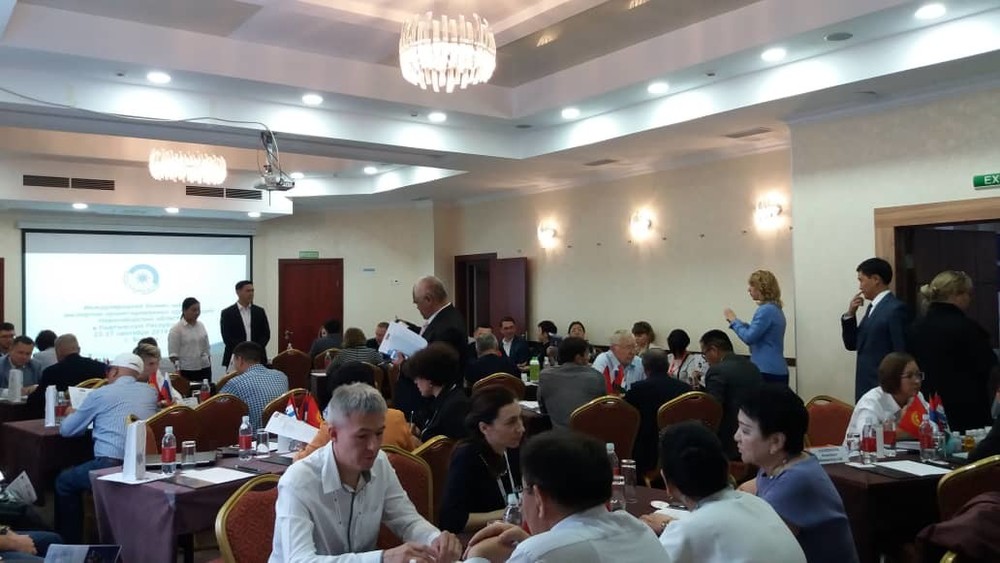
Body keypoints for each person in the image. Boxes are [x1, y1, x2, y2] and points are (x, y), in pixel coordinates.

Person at [269, 383, 462, 563]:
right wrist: (382, 558)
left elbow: (407, 521)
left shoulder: (380, 463)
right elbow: (300, 560)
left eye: (379, 433)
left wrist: (435, 539)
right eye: (362, 436)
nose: (373, 446)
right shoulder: (298, 480)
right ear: (333, 434)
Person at [464, 431, 665, 563]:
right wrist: (531, 542)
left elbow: (554, 551)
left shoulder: (538, 554)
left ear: (539, 498)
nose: (523, 502)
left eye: (524, 490)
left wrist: (478, 555)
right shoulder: (637, 528)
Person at [640, 421, 806, 563]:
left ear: (667, 482)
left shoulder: (688, 530)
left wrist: (669, 528)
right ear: (727, 468)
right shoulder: (757, 503)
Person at [735, 385, 858, 563]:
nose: (736, 437)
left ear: (776, 441)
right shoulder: (782, 462)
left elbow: (758, 552)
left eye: (745, 431)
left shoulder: (795, 482)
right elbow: (745, 490)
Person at [55, 353, 158, 544]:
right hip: (144, 464)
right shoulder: (150, 392)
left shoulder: (100, 394)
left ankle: (70, 543)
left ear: (114, 371)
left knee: (64, 482)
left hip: (111, 466)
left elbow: (67, 430)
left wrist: (72, 413)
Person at [907, 270, 998, 432]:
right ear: (957, 295)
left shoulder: (915, 328)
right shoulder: (968, 329)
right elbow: (988, 365)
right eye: (969, 294)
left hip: (927, 404)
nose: (970, 299)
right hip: (966, 407)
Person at [439, 387, 524, 533]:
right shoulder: (466, 457)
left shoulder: (514, 447)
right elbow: (451, 520)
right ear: (484, 428)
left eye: (520, 418)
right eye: (511, 422)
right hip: (482, 537)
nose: (521, 428)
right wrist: (508, 513)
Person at [294, 362, 418, 461]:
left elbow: (301, 462)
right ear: (375, 386)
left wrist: (300, 451)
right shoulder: (396, 417)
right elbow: (414, 457)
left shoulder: (333, 426)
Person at [395, 276, 468, 423]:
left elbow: (434, 368)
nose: (417, 307)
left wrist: (403, 364)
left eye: (417, 303)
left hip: (426, 404)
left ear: (428, 299)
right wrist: (410, 328)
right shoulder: (446, 317)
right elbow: (430, 338)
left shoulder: (448, 327)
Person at [841, 258, 909, 401]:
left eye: (861, 280)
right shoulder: (872, 308)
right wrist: (850, 315)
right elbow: (852, 344)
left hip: (884, 388)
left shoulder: (895, 309)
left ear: (876, 279)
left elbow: (900, 351)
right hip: (866, 386)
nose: (860, 287)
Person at [625, 348, 691, 474]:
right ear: (667, 365)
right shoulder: (685, 389)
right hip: (680, 448)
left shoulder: (638, 390)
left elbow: (626, 418)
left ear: (645, 368)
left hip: (647, 453)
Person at [700, 329, 762, 460]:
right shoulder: (752, 366)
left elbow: (713, 411)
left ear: (713, 350)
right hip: (756, 434)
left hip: (729, 442)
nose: (706, 360)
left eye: (704, 354)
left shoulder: (716, 371)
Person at [724, 270, 789, 384]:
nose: (749, 289)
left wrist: (734, 321)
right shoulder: (775, 309)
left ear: (762, 288)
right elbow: (759, 334)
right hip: (776, 370)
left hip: (766, 371)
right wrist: (741, 324)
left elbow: (749, 337)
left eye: (752, 285)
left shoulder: (766, 310)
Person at [844, 352, 928, 440]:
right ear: (893, 379)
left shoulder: (917, 396)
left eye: (918, 375)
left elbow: (933, 427)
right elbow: (867, 437)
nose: (917, 381)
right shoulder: (871, 402)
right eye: (909, 376)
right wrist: (905, 429)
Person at [25, 334, 107, 417]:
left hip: (64, 418)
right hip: (97, 417)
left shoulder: (51, 372)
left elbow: (37, 401)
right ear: (79, 350)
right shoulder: (101, 368)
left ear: (58, 352)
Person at [538, 337, 605, 429]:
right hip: (588, 435)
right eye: (587, 354)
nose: (589, 357)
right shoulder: (596, 377)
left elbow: (543, 409)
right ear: (578, 358)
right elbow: (602, 411)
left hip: (557, 435)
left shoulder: (545, 375)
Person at [220, 341, 289, 428]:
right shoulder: (282, 376)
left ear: (240, 360)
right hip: (281, 431)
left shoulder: (236, 383)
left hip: (254, 434)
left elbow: (215, 408)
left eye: (233, 360)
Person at [409, 343, 469, 442]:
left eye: (418, 377)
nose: (416, 382)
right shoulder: (439, 398)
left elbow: (451, 446)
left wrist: (418, 443)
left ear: (429, 378)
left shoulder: (456, 406)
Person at [220, 280, 271, 369]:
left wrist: (255, 349)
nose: (251, 294)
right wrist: (244, 351)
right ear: (238, 292)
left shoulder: (259, 311)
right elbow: (227, 338)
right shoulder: (227, 313)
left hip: (257, 356)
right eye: (248, 291)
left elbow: (266, 334)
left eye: (252, 291)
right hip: (236, 357)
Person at [168, 297, 212, 382]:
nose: (197, 312)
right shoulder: (176, 329)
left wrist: (209, 364)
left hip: (204, 367)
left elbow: (207, 348)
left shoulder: (201, 325)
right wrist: (178, 372)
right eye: (194, 310)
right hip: (187, 370)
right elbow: (173, 355)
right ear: (184, 310)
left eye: (198, 310)